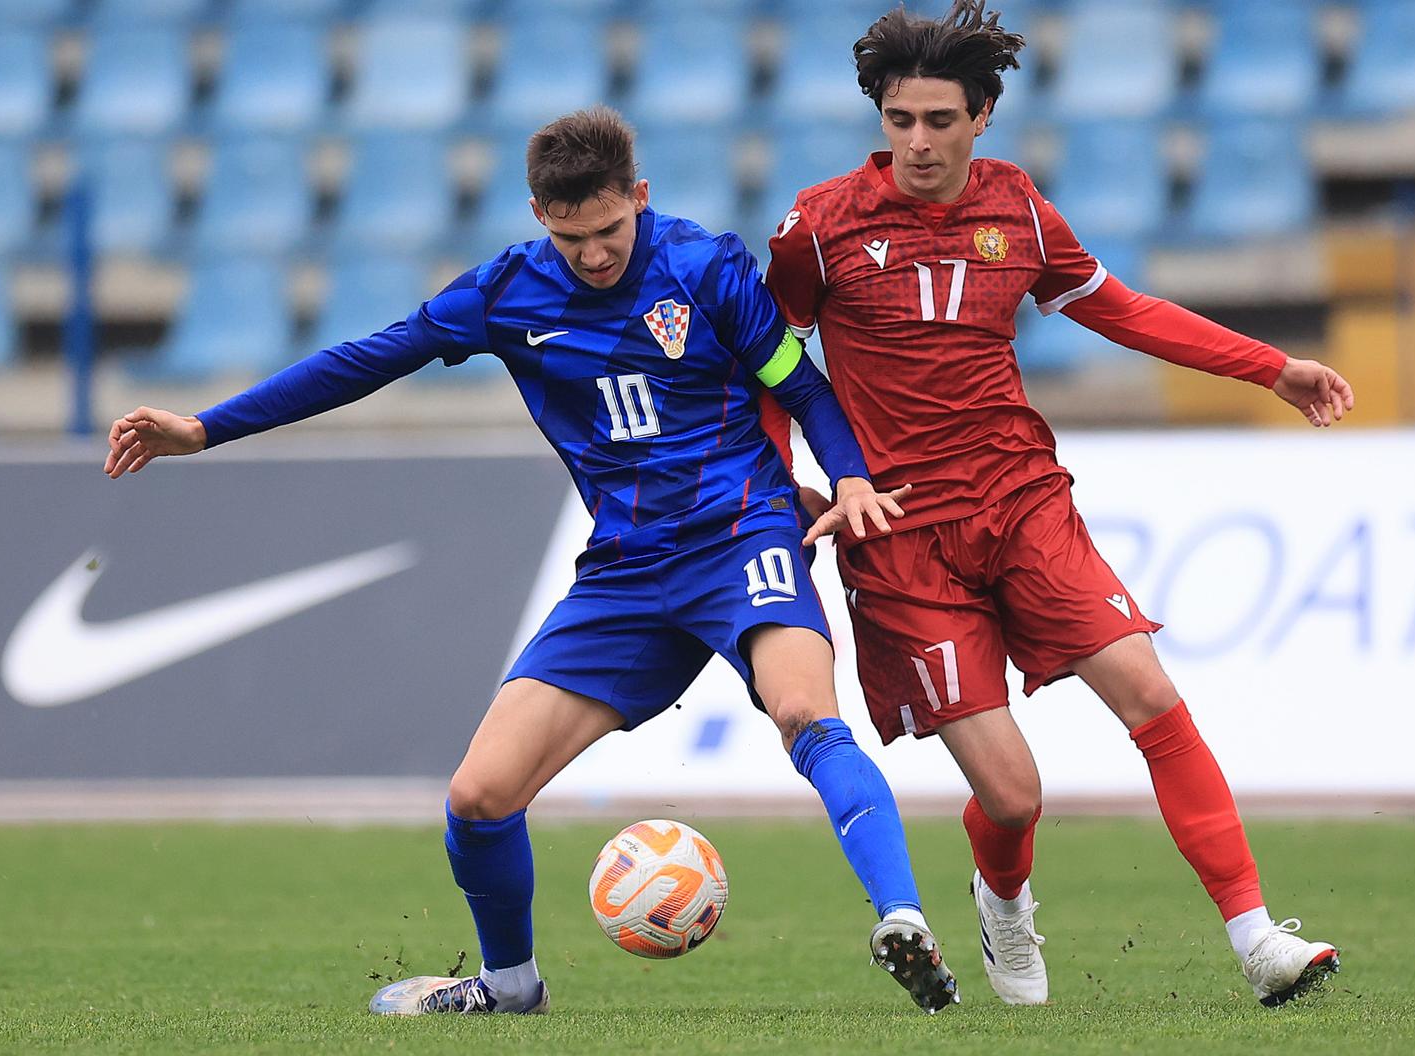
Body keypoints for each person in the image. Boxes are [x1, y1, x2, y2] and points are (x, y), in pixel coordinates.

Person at [103, 107, 960, 1015]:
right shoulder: (505, 291)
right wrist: (205, 428)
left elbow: (803, 386)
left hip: (742, 534)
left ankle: (901, 920)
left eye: (609, 231)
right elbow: (366, 359)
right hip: (626, 572)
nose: (593, 256)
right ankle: (509, 985)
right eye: (570, 238)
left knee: (803, 710)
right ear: (536, 214)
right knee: (479, 796)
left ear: (639, 196)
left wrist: (852, 477)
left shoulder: (706, 267)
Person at [763, 1, 1350, 1009]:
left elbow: (1122, 311)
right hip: (903, 540)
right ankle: (1001, 902)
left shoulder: (1018, 210)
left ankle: (1257, 939)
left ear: (982, 115)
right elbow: (767, 368)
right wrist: (790, 487)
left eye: (939, 120)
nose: (917, 142)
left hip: (1021, 502)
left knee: (1152, 697)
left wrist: (1269, 369)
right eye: (900, 120)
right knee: (1013, 793)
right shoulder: (818, 228)